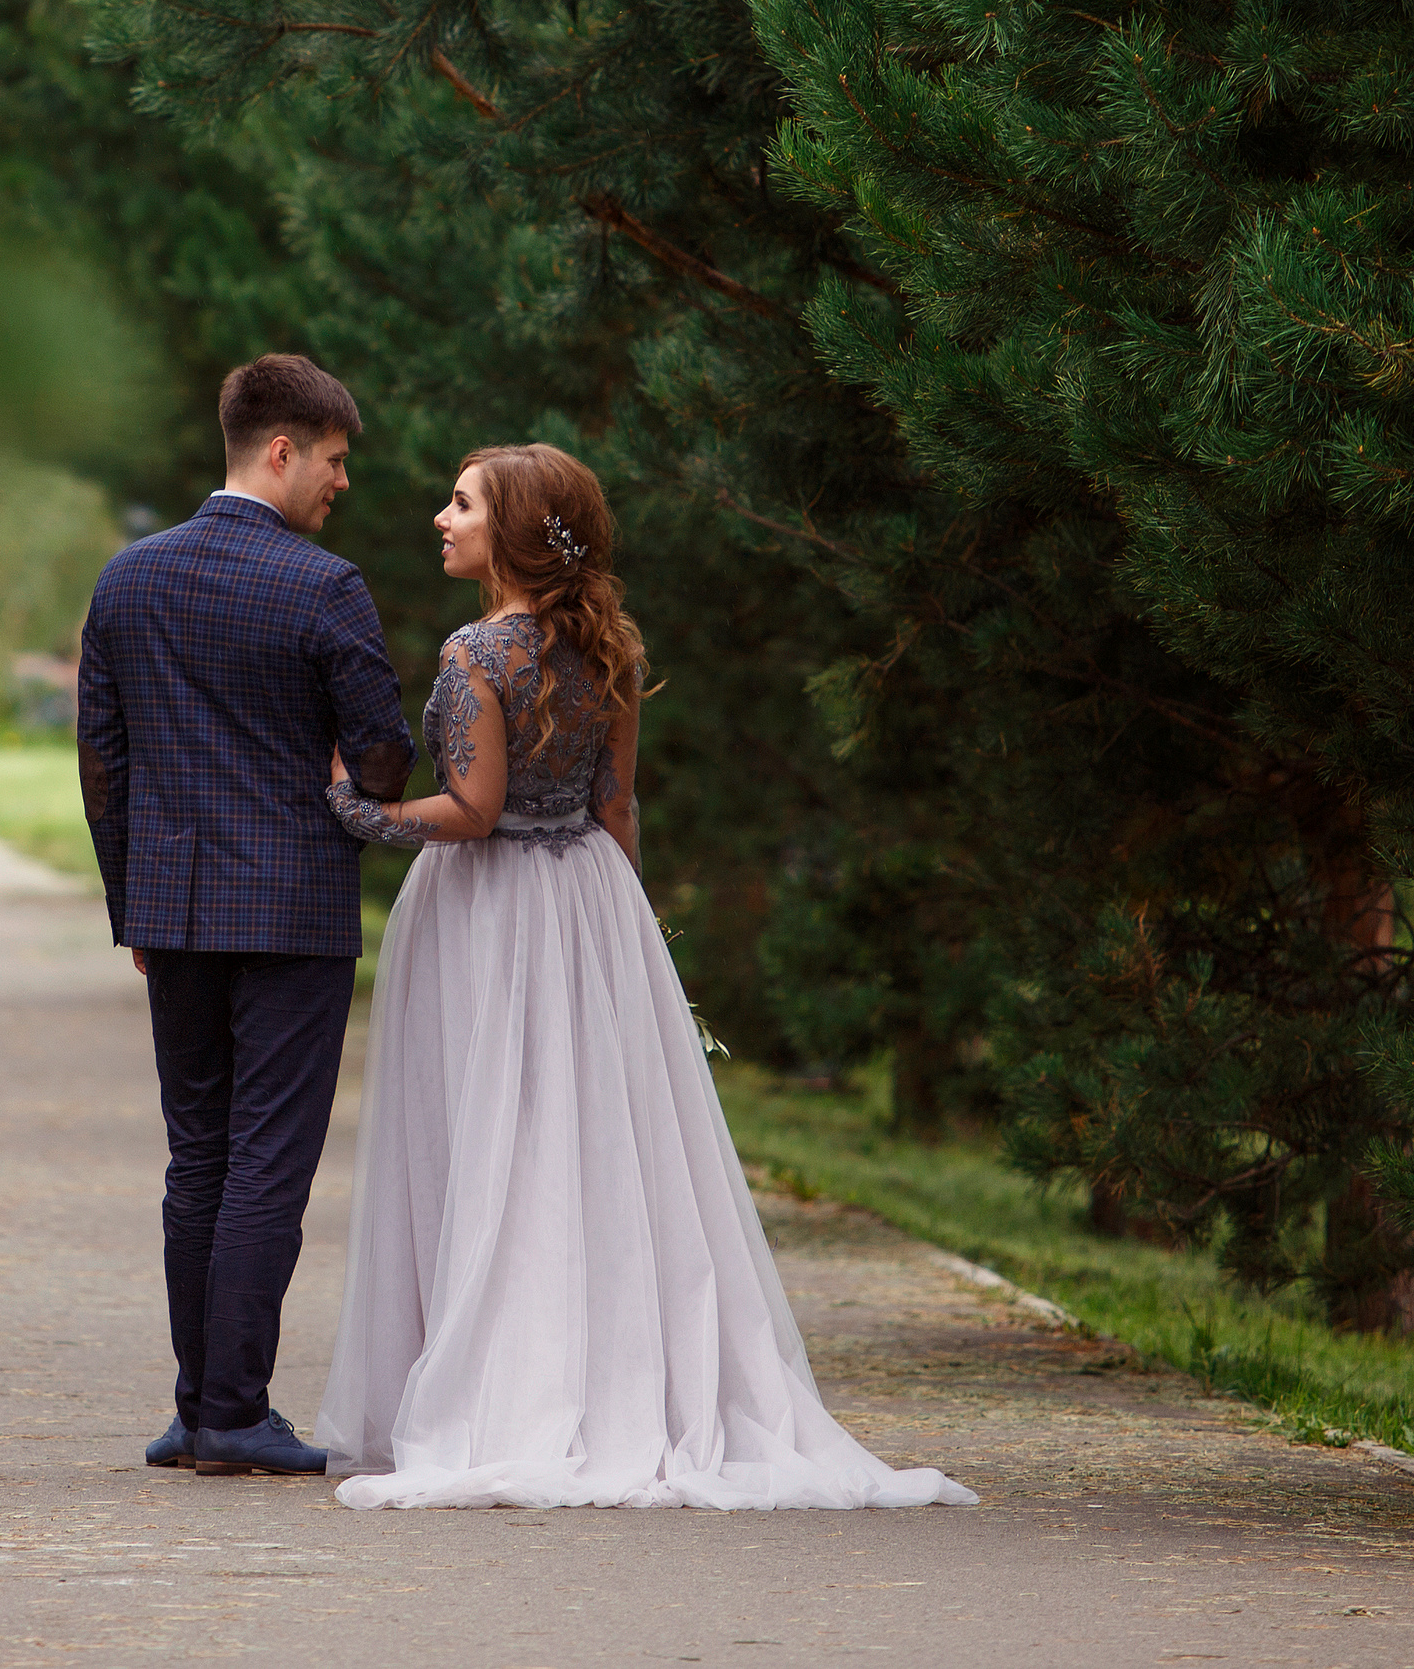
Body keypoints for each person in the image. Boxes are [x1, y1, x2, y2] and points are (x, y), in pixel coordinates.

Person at [316, 443, 977, 1511]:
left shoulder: (474, 652)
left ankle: (507, 1385)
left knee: (492, 1134)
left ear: (517, 533)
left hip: (488, 912)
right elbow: (617, 804)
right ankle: (609, 1371)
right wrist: (631, 940)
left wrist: (354, 809)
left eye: (462, 504)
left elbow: (474, 812)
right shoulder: (611, 644)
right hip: (586, 899)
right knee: (588, 1140)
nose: (441, 518)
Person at [76, 354, 416, 1479]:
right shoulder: (325, 587)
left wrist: (134, 907)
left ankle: (197, 1409)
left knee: (198, 1159)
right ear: (280, 450)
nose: (342, 483)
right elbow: (378, 752)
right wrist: (358, 766)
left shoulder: (127, 582)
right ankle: (235, 1411)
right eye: (332, 460)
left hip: (171, 912)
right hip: (293, 913)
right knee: (269, 1161)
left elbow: (103, 762)